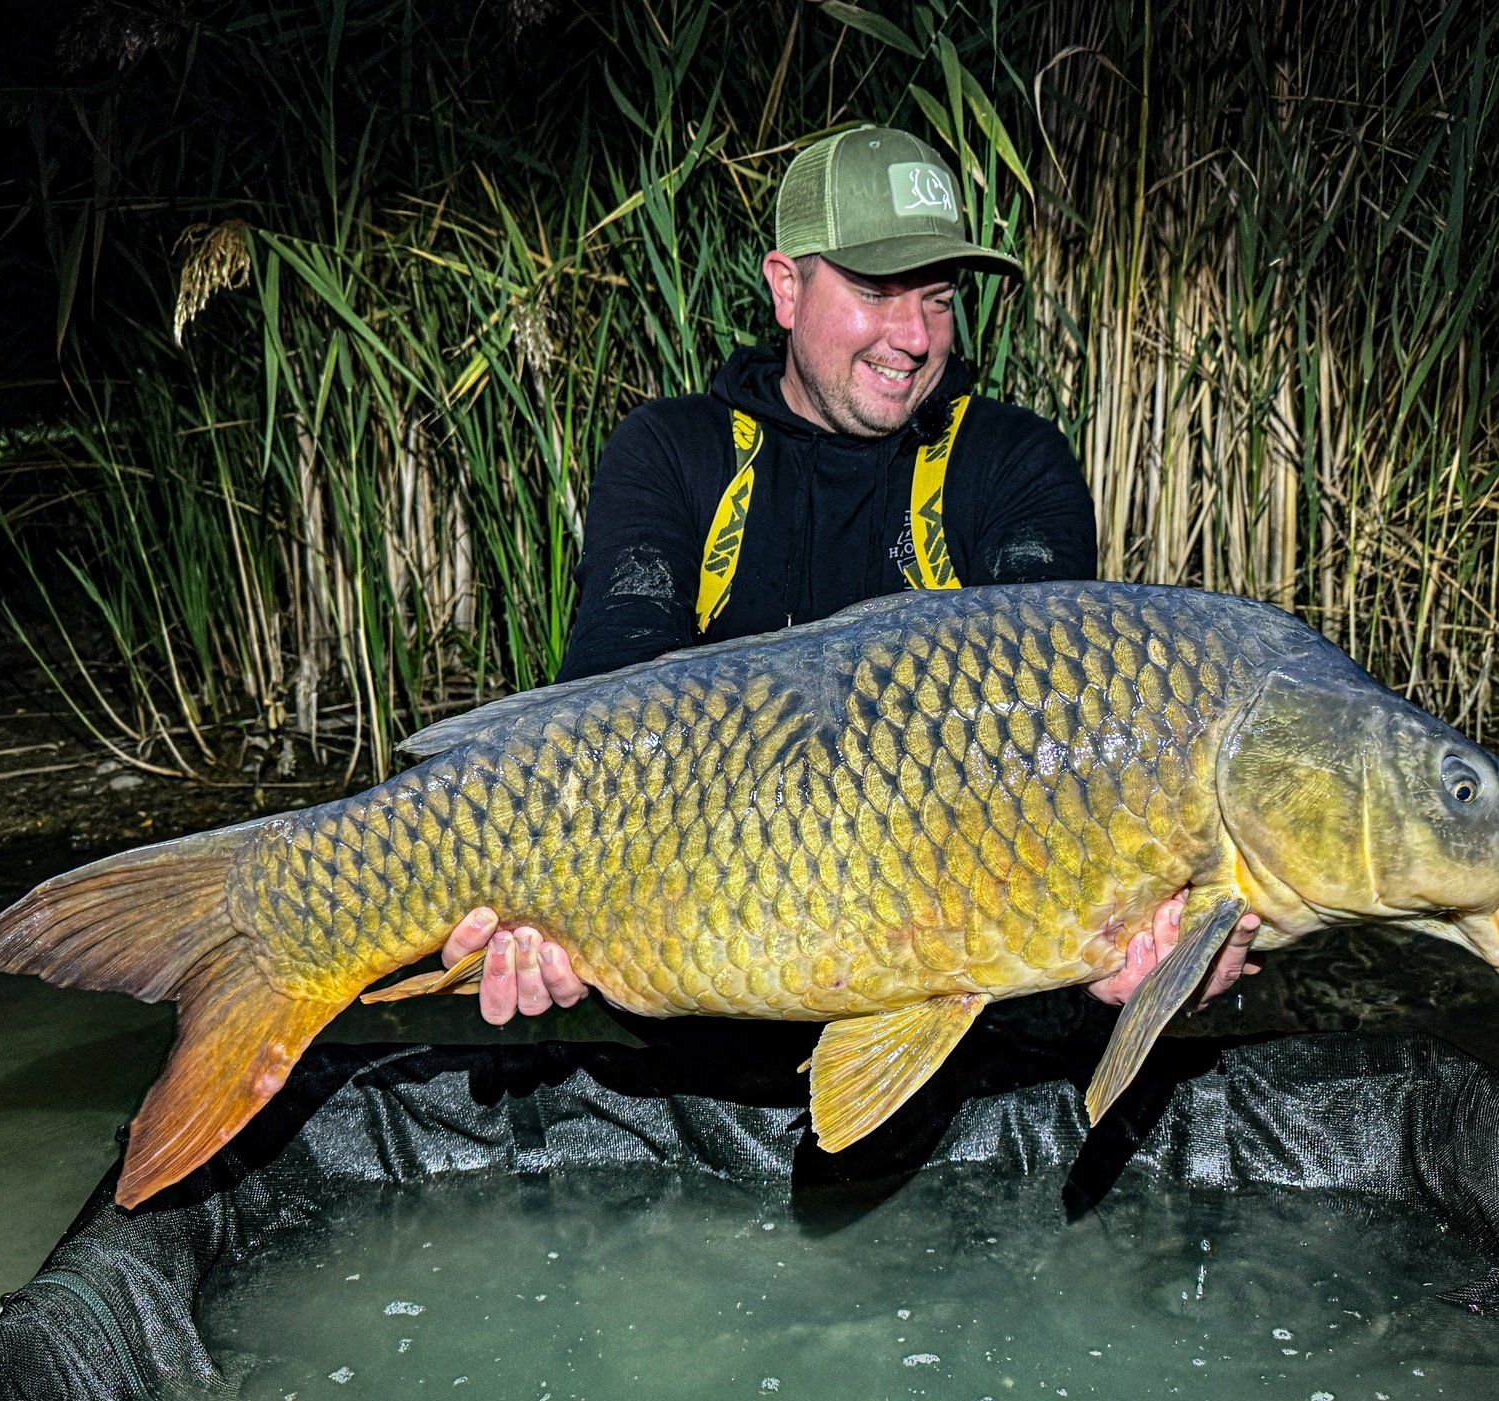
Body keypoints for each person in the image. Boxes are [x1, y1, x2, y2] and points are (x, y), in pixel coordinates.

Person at [440, 125, 1260, 1026]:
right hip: (690, 982)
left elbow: (1043, 766)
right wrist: (540, 917)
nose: (914, 336)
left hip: (945, 988)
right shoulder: (673, 453)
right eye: (876, 291)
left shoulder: (1013, 465)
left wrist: (1105, 961)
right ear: (787, 289)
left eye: (940, 298)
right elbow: (602, 701)